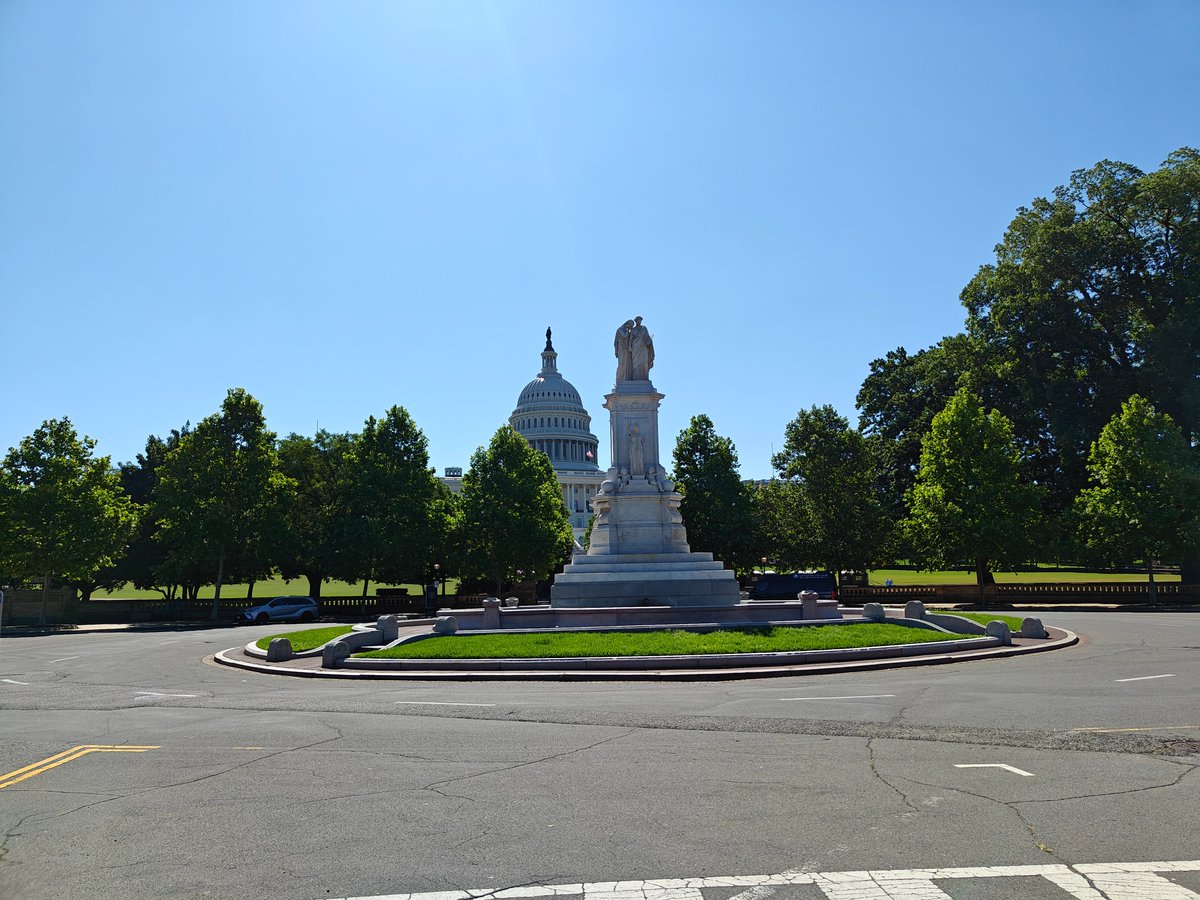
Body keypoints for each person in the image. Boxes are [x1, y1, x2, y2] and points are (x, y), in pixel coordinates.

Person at [629, 316, 654, 380]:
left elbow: (647, 337)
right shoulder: (633, 329)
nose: (639, 322)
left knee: (644, 362)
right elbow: (630, 339)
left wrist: (649, 341)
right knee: (635, 364)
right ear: (635, 321)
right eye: (638, 320)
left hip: (643, 347)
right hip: (635, 348)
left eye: (640, 320)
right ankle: (635, 379)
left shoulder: (644, 328)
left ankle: (644, 378)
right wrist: (630, 347)